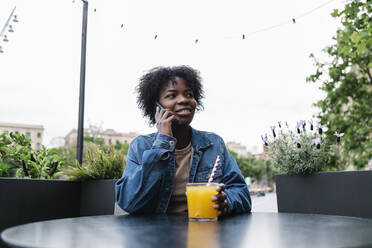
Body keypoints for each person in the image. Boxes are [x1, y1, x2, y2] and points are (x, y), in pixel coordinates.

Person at [115, 65, 251, 215]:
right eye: (172, 96)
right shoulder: (140, 146)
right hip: (155, 235)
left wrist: (226, 201)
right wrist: (162, 143)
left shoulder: (214, 144)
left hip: (204, 231)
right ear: (156, 107)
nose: (184, 100)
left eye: (189, 94)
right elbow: (129, 202)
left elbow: (241, 192)